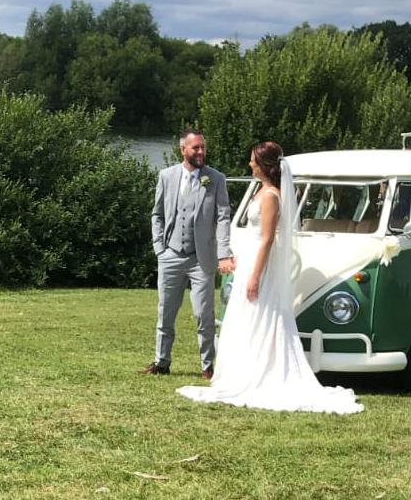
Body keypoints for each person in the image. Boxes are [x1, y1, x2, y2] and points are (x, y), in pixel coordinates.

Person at [177, 142, 363, 414]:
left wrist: (255, 275)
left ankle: (260, 373)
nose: (250, 164)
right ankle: (244, 370)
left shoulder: (270, 196)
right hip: (251, 259)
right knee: (246, 315)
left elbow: (266, 239)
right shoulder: (262, 192)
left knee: (261, 314)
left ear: (264, 165)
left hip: (260, 265)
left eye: (253, 160)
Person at [141, 129, 235, 379]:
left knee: (204, 313)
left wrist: (224, 252)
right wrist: (159, 248)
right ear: (183, 150)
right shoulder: (166, 176)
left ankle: (207, 366)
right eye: (196, 148)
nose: (201, 152)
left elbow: (223, 217)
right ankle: (162, 362)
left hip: (201, 257)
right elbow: (157, 214)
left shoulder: (215, 179)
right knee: (165, 310)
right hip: (170, 254)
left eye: (203, 147)